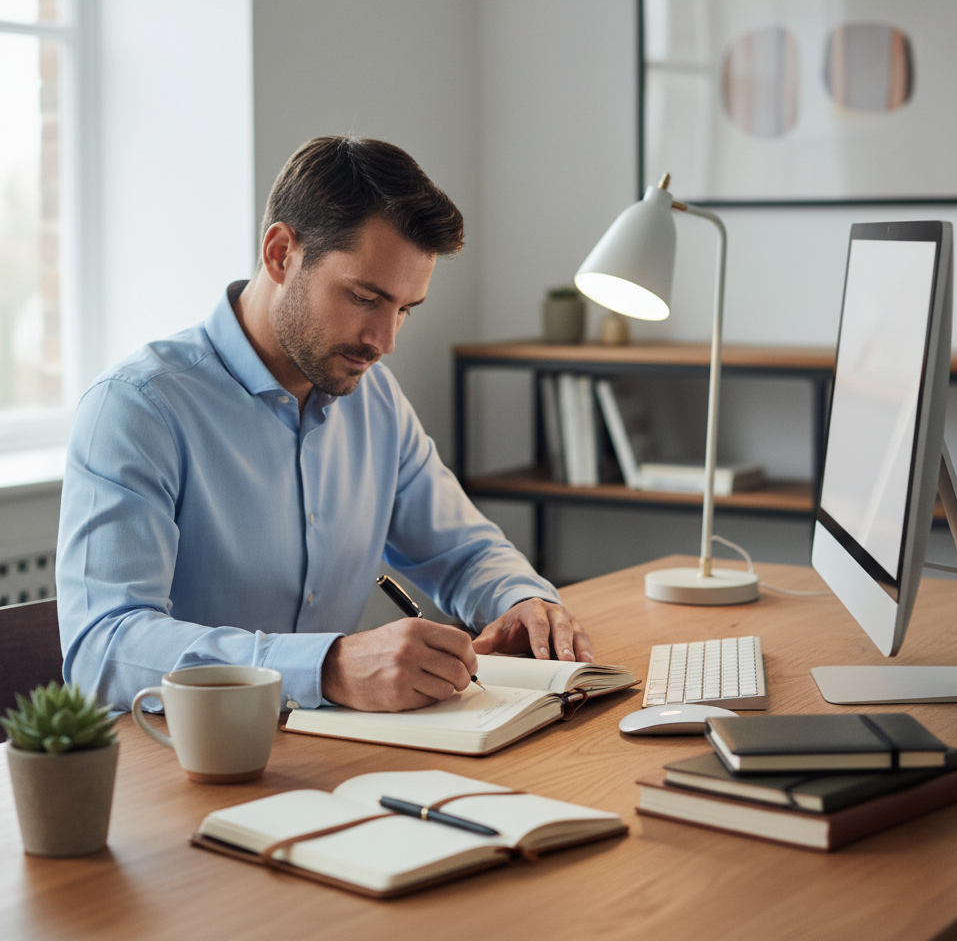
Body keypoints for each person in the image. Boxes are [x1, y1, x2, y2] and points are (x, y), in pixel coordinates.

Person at [56, 136, 594, 713]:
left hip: (331, 760)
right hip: (176, 773)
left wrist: (522, 600)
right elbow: (102, 650)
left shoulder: (375, 399)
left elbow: (462, 549)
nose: (385, 341)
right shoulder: (137, 407)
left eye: (405, 310)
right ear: (281, 252)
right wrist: (327, 667)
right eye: (365, 297)